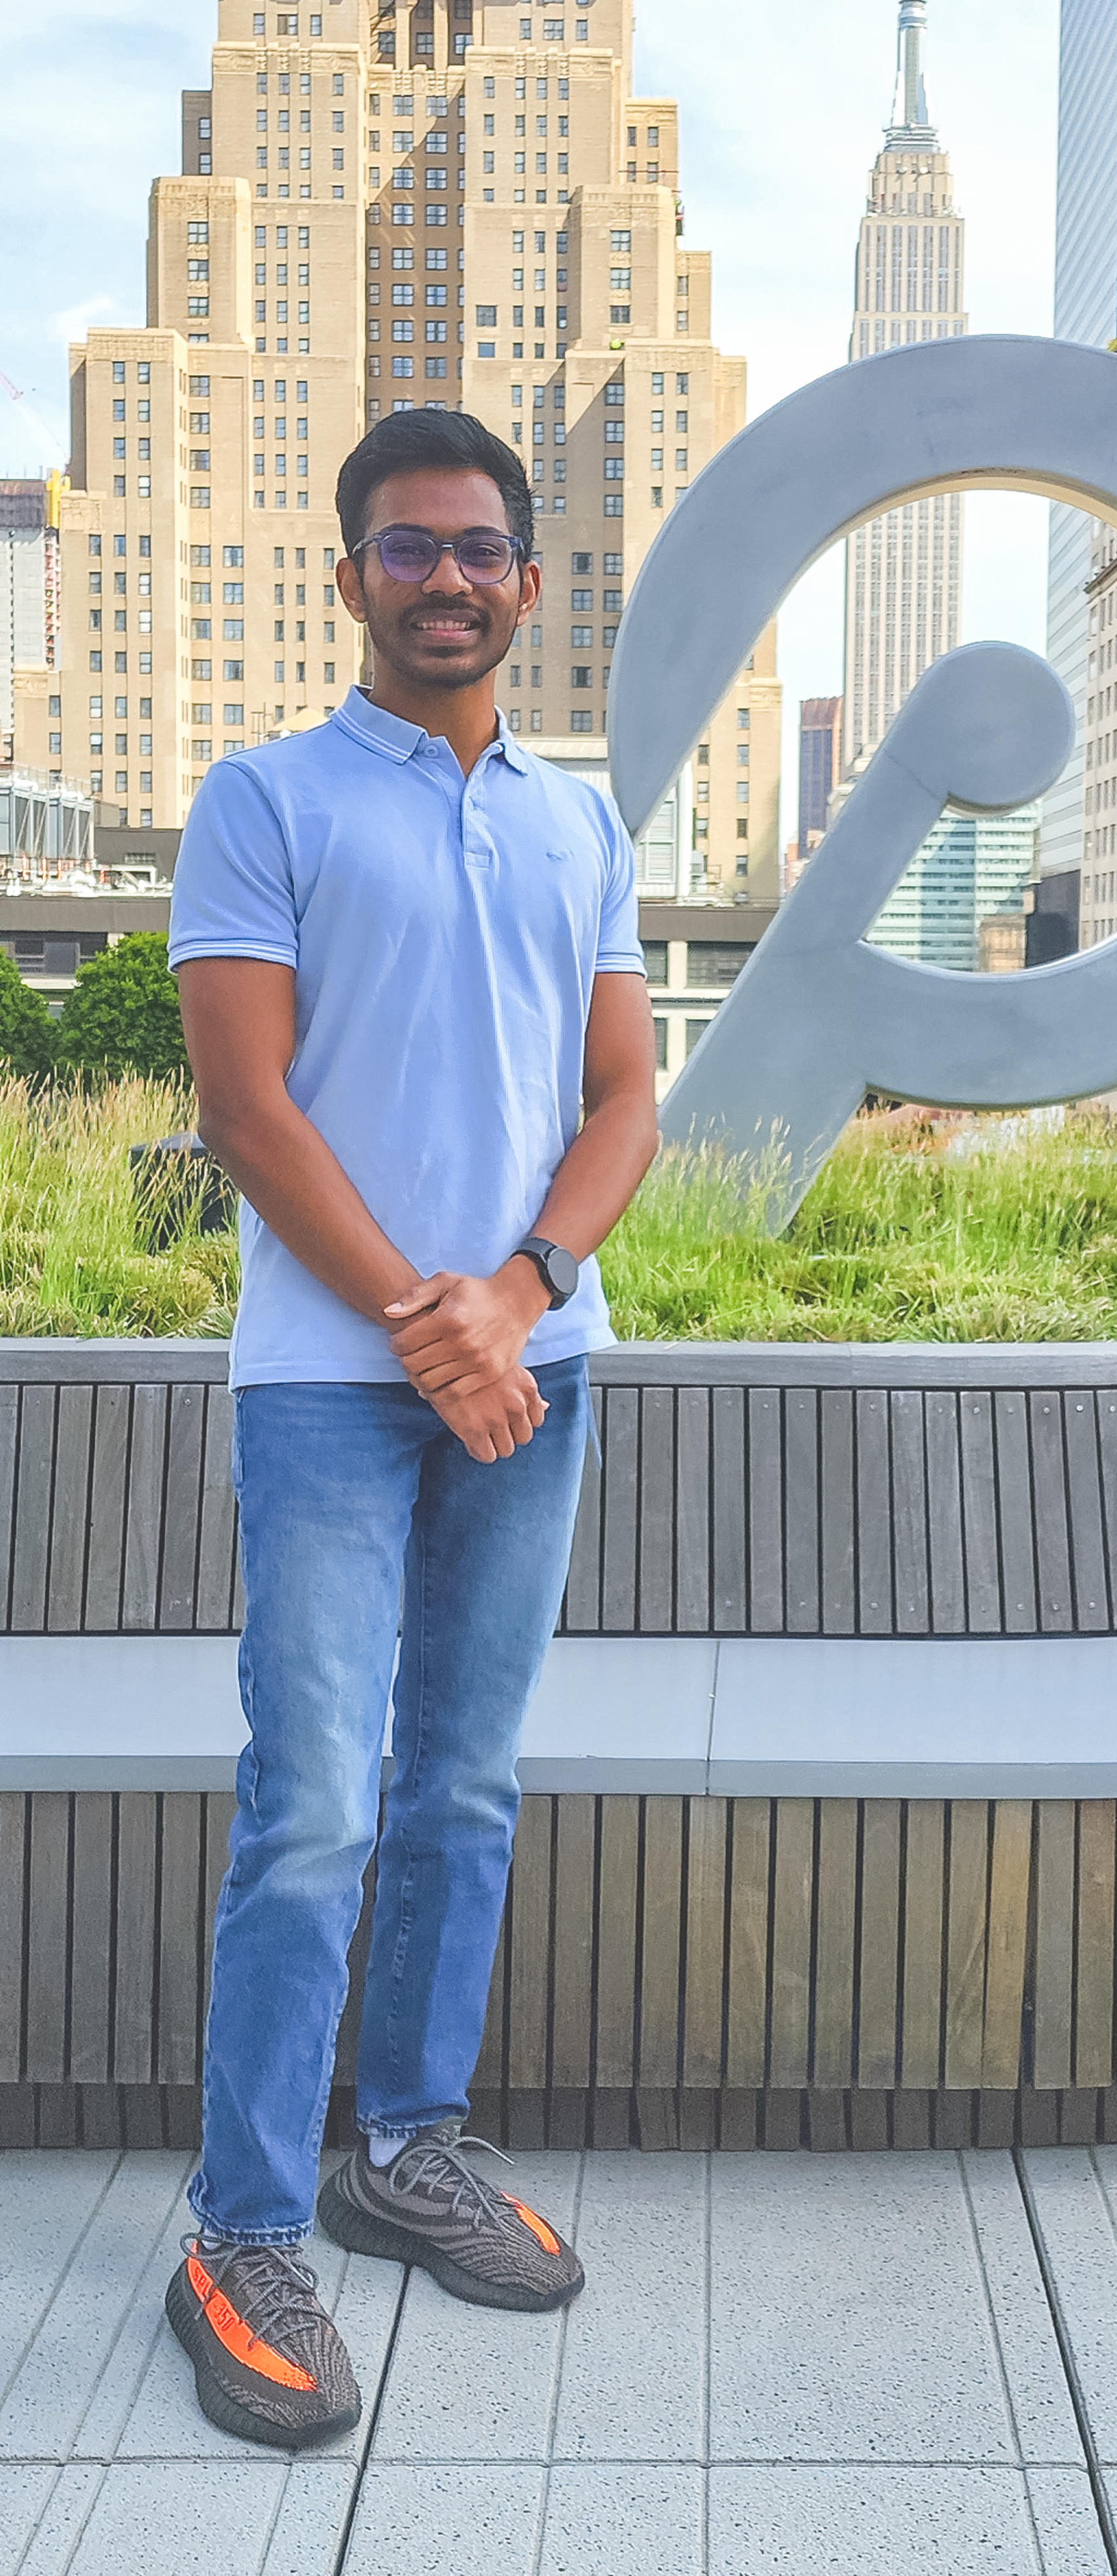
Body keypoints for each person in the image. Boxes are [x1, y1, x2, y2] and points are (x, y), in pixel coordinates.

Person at [161, 409, 657, 2450]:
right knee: (313, 1807)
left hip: (533, 1369)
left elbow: (626, 1095)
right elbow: (248, 1107)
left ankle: (407, 2148)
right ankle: (241, 2229)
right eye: (406, 546)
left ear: (531, 586)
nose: (446, 577)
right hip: (328, 1388)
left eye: (480, 549)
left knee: (461, 1786)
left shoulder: (584, 823)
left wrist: (518, 1292)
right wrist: (413, 1319)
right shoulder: (263, 797)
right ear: (347, 574)